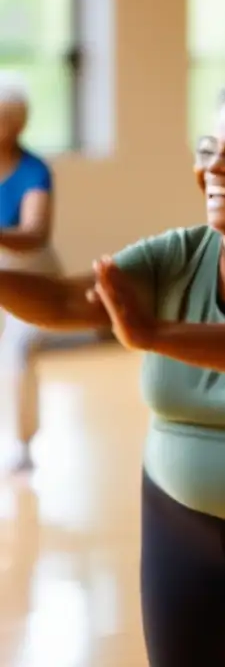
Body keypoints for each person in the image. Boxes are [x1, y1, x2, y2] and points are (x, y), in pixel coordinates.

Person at [0, 72, 225, 667]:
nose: (215, 169)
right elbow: (68, 302)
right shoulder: (176, 255)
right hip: (178, 522)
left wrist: (152, 335)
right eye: (209, 151)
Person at [0, 74, 104, 473]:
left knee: (18, 350)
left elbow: (34, 234)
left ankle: (24, 445)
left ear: (14, 125)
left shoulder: (34, 171)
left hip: (31, 274)